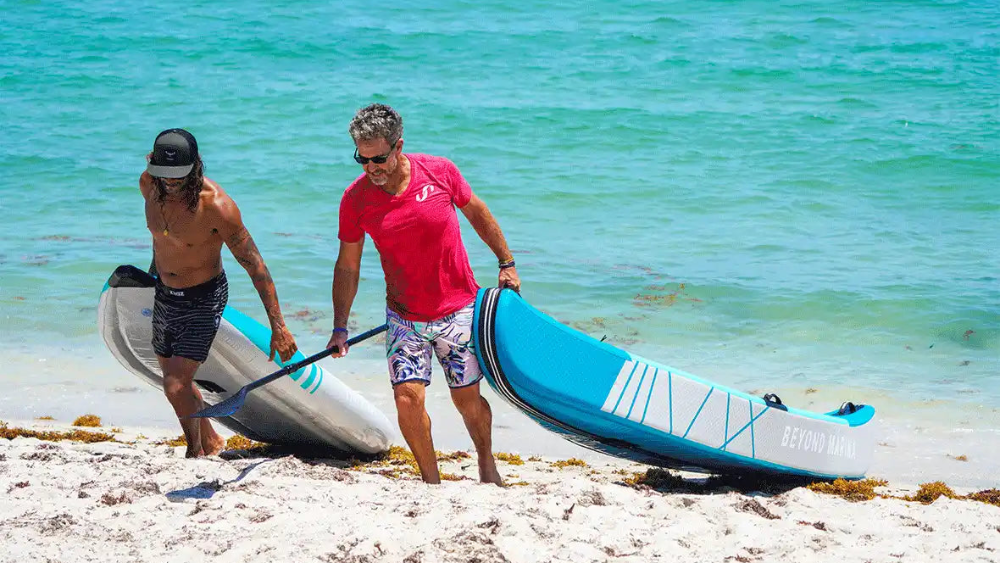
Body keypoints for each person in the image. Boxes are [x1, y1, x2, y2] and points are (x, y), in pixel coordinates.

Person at [327, 104, 520, 485]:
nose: (371, 169)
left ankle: (485, 461)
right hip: (404, 317)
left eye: (379, 159)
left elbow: (478, 213)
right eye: (362, 160)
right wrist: (340, 326)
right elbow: (348, 266)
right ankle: (431, 481)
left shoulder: (440, 171)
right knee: (407, 399)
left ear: (399, 146)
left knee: (467, 401)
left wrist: (506, 262)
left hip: (459, 311)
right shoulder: (356, 199)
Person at [140, 128, 298, 457]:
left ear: (196, 166)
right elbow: (163, 240)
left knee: (175, 384)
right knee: (173, 381)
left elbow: (255, 265)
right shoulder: (148, 185)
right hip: (165, 294)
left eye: (178, 176)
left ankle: (195, 450)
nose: (169, 182)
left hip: (203, 296)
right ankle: (210, 440)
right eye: (163, 174)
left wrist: (279, 327)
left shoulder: (217, 207)